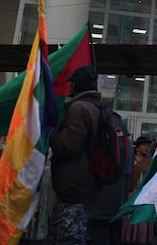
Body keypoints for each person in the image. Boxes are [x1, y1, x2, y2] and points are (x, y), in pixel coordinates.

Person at [49, 65, 105, 245]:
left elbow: (67, 146)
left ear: (77, 84)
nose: (69, 87)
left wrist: (50, 132)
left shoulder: (79, 109)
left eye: (71, 83)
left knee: (68, 238)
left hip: (74, 185)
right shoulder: (97, 107)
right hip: (86, 184)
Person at [121, 136, 154, 245]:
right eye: (144, 145)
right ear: (137, 147)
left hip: (144, 195)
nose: (146, 147)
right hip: (131, 194)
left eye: (147, 145)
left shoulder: (150, 161)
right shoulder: (130, 160)